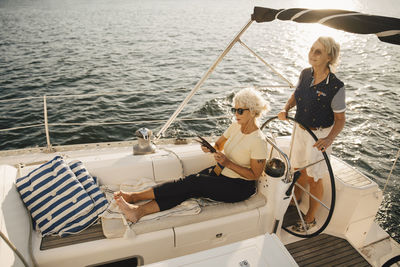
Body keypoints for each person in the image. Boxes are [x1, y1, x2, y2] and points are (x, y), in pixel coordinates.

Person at [114, 87, 269, 223]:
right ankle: (137, 211)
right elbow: (219, 145)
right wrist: (211, 148)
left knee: (193, 182)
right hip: (221, 173)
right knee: (187, 186)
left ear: (253, 111)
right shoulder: (235, 126)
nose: (236, 114)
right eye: (234, 110)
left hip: (239, 187)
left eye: (240, 111)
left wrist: (228, 163)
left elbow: (255, 175)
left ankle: (135, 197)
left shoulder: (258, 141)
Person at [277, 36, 346, 232]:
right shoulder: (305, 73)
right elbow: (296, 95)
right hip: (299, 131)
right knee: (298, 169)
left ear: (329, 58)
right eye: (311, 49)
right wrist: (286, 108)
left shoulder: (336, 86)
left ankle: (310, 219)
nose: (312, 54)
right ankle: (296, 200)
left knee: (315, 178)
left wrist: (329, 139)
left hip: (318, 137)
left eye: (318, 52)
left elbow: (340, 120)